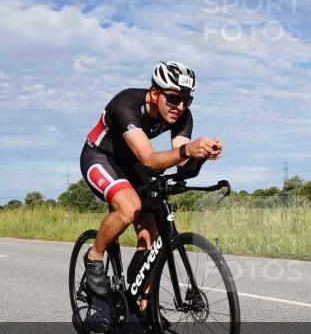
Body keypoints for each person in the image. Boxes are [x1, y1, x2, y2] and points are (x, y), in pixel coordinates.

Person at [80, 61, 222, 312]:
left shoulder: (181, 116)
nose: (180, 107)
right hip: (100, 156)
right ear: (155, 93)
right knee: (129, 207)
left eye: (186, 100)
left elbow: (182, 165)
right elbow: (149, 158)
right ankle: (94, 257)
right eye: (173, 98)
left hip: (133, 164)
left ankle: (143, 303)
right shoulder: (127, 103)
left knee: (152, 231)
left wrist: (200, 156)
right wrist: (187, 149)